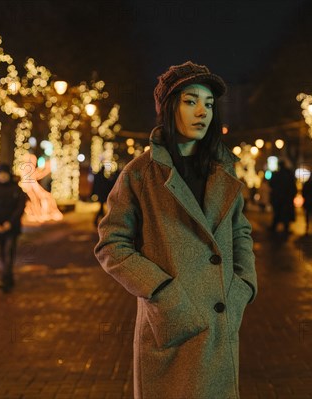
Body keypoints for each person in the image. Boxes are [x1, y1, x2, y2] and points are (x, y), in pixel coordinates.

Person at [94, 61, 257, 398]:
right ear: (169, 107)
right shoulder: (141, 173)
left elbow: (240, 232)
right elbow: (112, 244)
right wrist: (162, 292)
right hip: (172, 327)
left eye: (209, 104)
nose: (202, 112)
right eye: (190, 101)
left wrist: (243, 286)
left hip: (220, 324)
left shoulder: (223, 169)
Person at [0, 163, 28, 293]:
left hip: (12, 228)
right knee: (4, 253)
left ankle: (5, 278)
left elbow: (20, 208)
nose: (3, 177)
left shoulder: (16, 190)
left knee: (9, 251)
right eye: (1, 174)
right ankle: (8, 276)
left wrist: (10, 222)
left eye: (5, 174)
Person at [269, 160, 297, 234]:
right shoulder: (288, 174)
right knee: (284, 214)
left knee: (278, 213)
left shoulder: (277, 174)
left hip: (280, 198)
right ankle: (285, 227)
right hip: (286, 198)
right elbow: (293, 187)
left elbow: (271, 184)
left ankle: (276, 227)